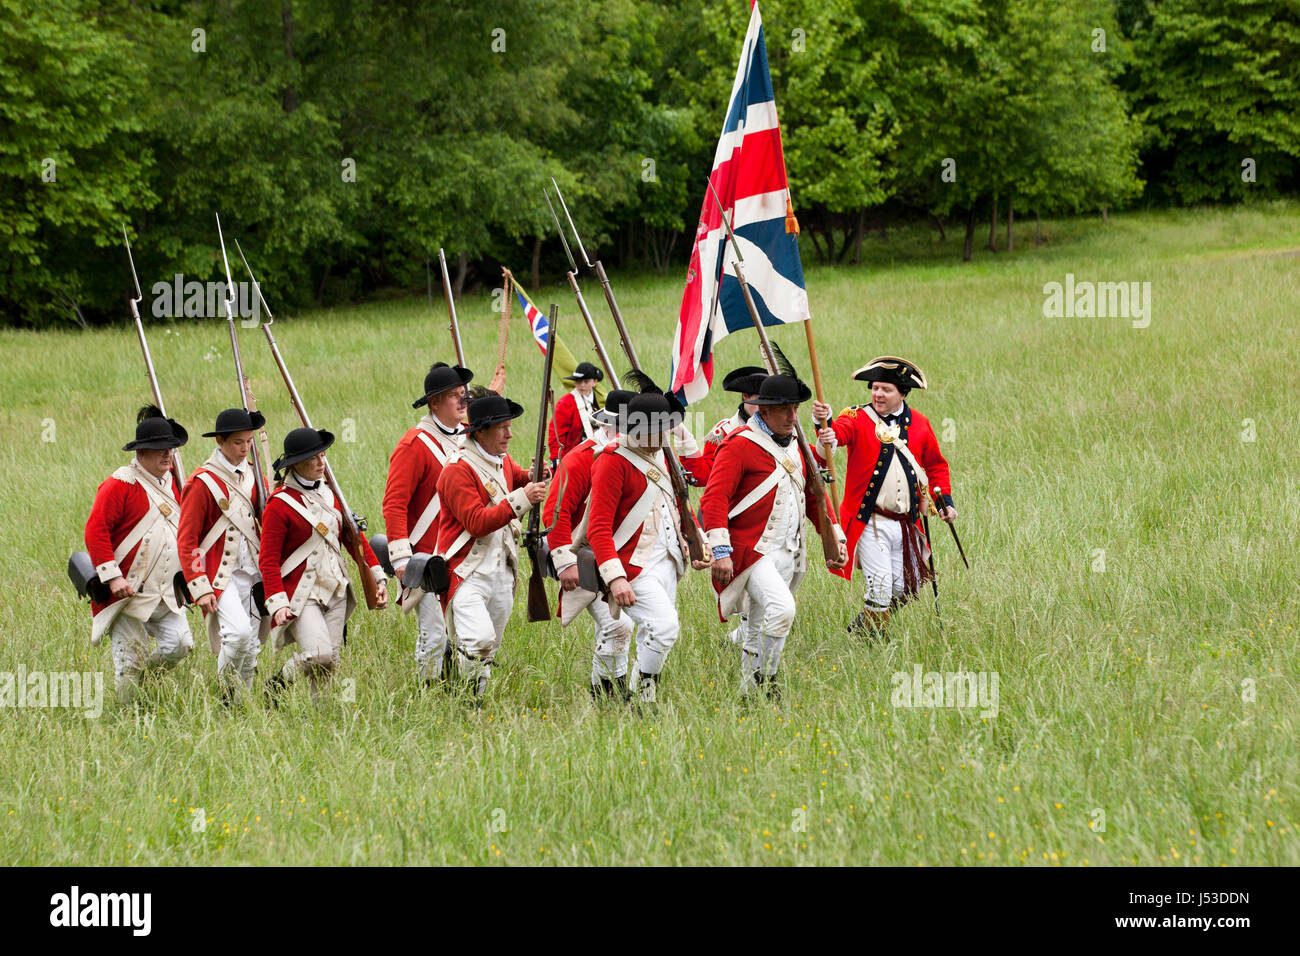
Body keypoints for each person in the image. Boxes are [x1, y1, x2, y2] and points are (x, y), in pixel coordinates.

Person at [702, 372, 846, 699]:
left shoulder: (799, 447)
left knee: (756, 626)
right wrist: (721, 550)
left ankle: (749, 693)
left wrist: (834, 534)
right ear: (763, 411)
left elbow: (814, 497)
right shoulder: (738, 444)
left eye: (795, 409)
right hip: (752, 551)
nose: (792, 417)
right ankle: (768, 682)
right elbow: (714, 498)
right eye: (784, 410)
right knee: (782, 610)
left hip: (788, 551)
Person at [811, 356, 956, 636]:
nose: (878, 394)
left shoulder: (921, 424)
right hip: (871, 522)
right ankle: (874, 643)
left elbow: (936, 465)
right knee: (880, 584)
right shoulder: (855, 417)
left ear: (902, 393)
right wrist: (824, 423)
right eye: (875, 388)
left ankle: (864, 626)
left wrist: (944, 503)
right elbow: (837, 435)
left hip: (906, 523)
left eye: (886, 389)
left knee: (905, 588)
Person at [586, 391, 711, 706]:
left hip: (668, 562)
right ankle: (644, 694)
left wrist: (696, 540)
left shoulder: (661, 455)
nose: (667, 433)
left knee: (653, 634)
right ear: (637, 429)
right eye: (661, 427)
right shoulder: (612, 461)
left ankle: (637, 701)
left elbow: (675, 505)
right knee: (665, 626)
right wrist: (615, 578)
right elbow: (598, 527)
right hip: (633, 566)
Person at [436, 393, 548, 700]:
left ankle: (475, 699)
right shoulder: (457, 469)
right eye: (502, 428)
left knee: (489, 647)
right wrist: (524, 497)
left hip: (502, 567)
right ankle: (466, 698)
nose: (510, 434)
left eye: (510, 426)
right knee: (480, 641)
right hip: (467, 570)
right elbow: (476, 522)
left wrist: (539, 475)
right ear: (481, 432)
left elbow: (516, 478)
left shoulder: (500, 459)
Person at [259, 427, 387, 694]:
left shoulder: (331, 494)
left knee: (329, 665)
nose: (321, 463)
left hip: (336, 587)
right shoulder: (279, 504)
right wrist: (278, 603)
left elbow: (354, 539)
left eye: (322, 455)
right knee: (319, 655)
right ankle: (279, 683)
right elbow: (268, 560)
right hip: (302, 594)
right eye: (313, 458)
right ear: (295, 465)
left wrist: (377, 575)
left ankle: (323, 720)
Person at [84, 405, 194, 704]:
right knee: (129, 662)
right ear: (141, 453)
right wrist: (113, 577)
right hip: (127, 591)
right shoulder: (120, 484)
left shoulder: (175, 483)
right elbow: (96, 531)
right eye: (159, 449)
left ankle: (146, 685)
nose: (167, 455)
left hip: (167, 591)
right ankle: (126, 715)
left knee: (181, 645)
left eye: (170, 449)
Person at [381, 362, 471, 683]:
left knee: (467, 633)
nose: (463, 402)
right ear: (434, 403)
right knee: (434, 636)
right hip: (427, 558)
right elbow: (394, 504)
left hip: (463, 554)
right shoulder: (414, 445)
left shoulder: (468, 438)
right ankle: (428, 691)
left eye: (464, 395)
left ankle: (460, 690)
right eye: (454, 397)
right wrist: (403, 558)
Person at [544, 388, 636, 699]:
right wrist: (564, 562)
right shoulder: (581, 459)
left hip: (616, 557)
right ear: (611, 426)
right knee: (618, 626)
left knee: (620, 627)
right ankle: (611, 696)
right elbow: (553, 512)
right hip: (583, 558)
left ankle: (610, 692)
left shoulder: (631, 457)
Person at [178, 408, 268, 701]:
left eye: (248, 442)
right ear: (220, 440)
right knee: (239, 635)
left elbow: (267, 519)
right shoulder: (202, 482)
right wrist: (199, 585)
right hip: (219, 574)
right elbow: (187, 539)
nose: (244, 449)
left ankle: (242, 704)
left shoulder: (255, 475)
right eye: (237, 443)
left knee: (251, 643)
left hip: (252, 570)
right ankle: (226, 694)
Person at [683, 366, 767, 486]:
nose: (765, 407)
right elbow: (705, 476)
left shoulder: (784, 430)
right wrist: (683, 438)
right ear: (745, 396)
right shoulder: (725, 431)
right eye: (759, 400)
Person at [547, 361, 603, 465]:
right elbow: (556, 435)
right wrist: (557, 459)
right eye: (578, 382)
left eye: (586, 381)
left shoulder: (601, 400)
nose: (582, 385)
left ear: (594, 382)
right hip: (575, 457)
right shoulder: (566, 403)